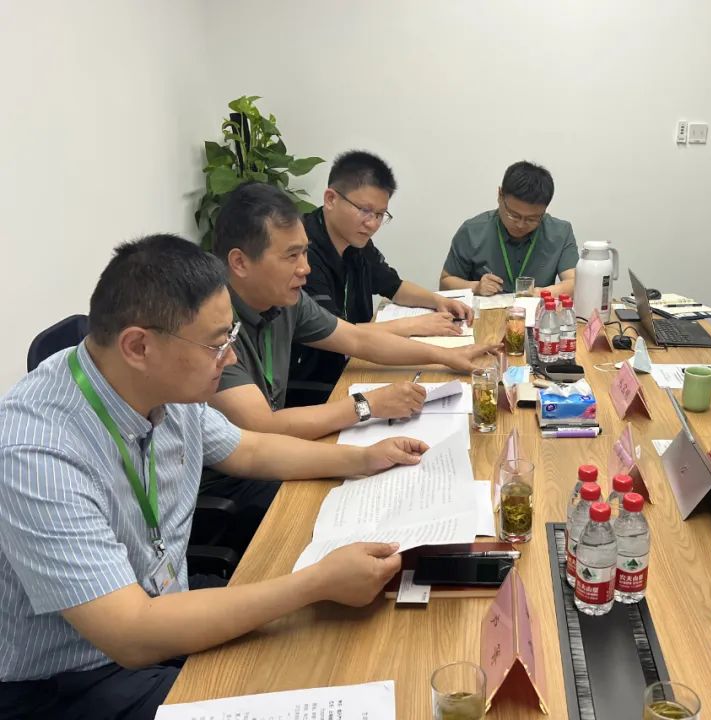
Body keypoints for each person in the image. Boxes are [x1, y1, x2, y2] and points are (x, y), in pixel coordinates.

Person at [0, 235, 426, 719]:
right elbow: (131, 634)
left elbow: (249, 449)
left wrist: (363, 459)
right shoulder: (36, 454)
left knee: (331, 647)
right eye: (217, 343)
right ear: (138, 346)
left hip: (165, 603)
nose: (231, 358)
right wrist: (315, 583)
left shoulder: (158, 383)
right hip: (75, 677)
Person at [204, 182, 497, 539]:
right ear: (239, 262)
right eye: (291, 256)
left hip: (275, 454)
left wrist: (447, 356)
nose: (305, 269)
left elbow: (358, 339)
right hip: (233, 487)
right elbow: (262, 428)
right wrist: (366, 405)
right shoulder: (210, 329)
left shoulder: (283, 299)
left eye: (305, 253)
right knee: (373, 511)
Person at [291, 150, 475, 406]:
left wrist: (437, 301)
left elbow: (394, 286)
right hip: (317, 387)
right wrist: (413, 326)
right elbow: (339, 333)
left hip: (356, 365)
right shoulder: (303, 254)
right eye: (365, 211)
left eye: (380, 215)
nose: (372, 224)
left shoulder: (356, 242)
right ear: (331, 199)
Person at [440, 160, 578, 297]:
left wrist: (540, 293)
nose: (521, 225)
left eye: (532, 219)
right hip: (484, 311)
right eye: (513, 215)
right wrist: (475, 287)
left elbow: (575, 282)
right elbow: (445, 283)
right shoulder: (472, 231)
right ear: (500, 196)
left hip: (535, 309)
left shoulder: (561, 232)